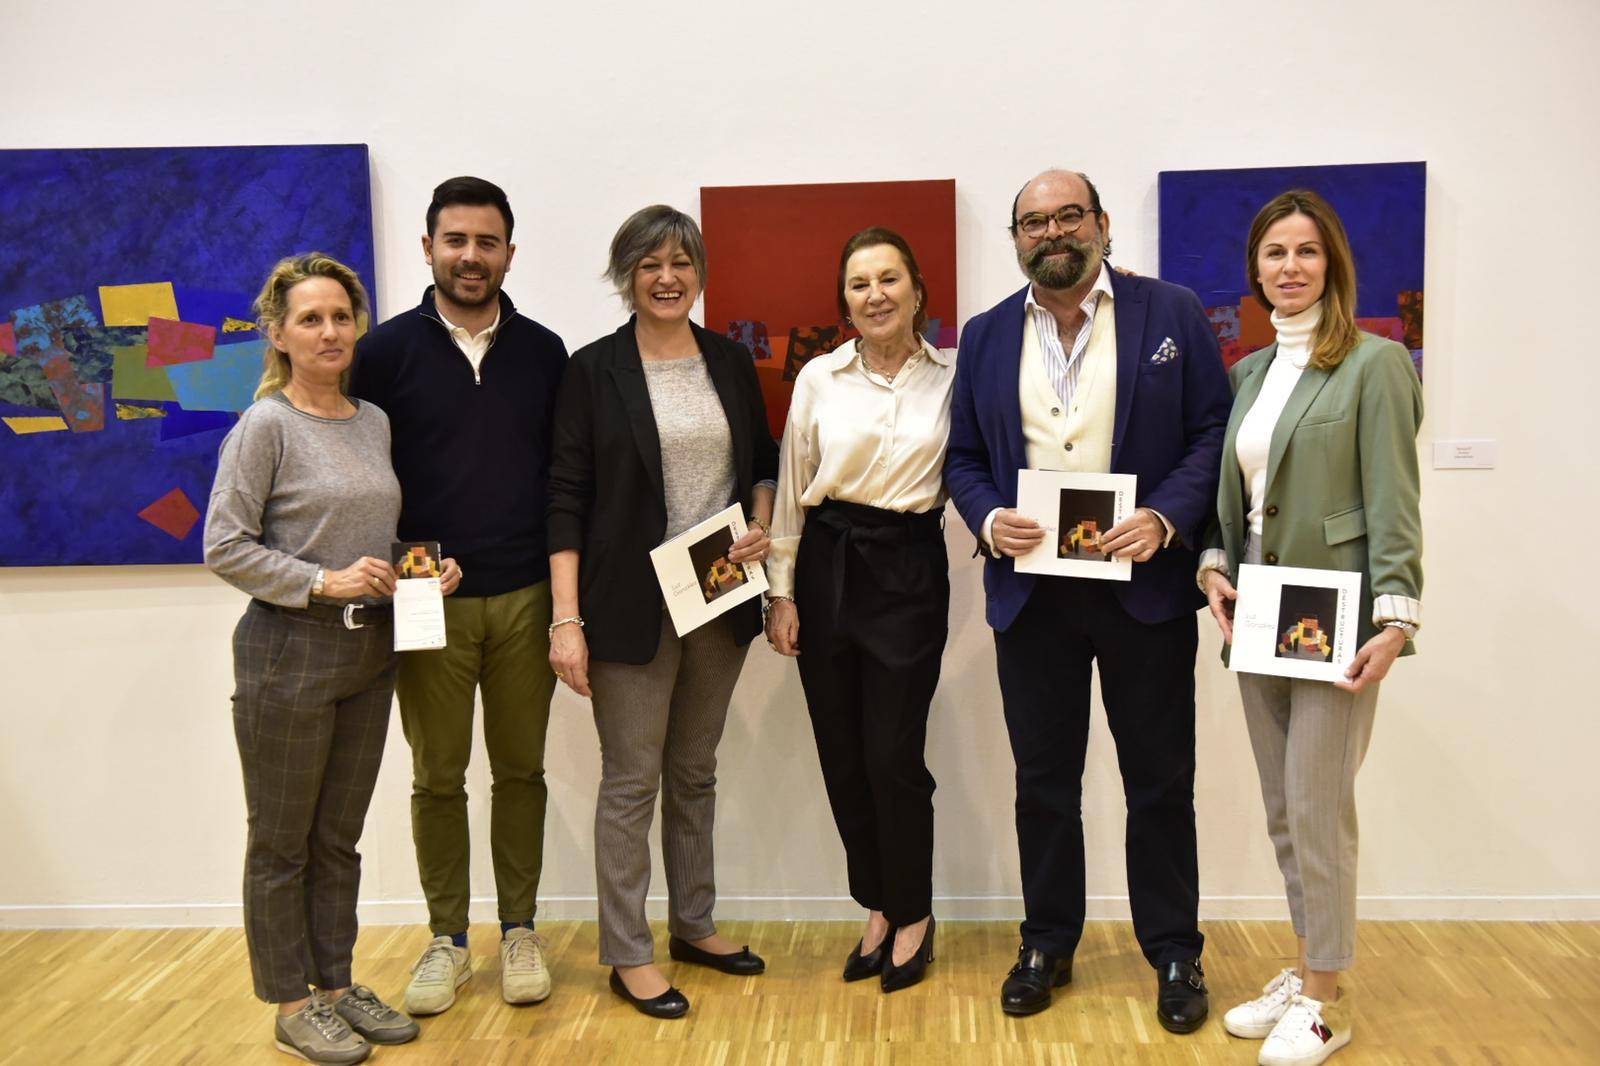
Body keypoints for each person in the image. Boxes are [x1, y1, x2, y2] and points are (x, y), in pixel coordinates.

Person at [944, 169, 1232, 1027]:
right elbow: (962, 455)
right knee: (1043, 783)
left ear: (1100, 224)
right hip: (1032, 598)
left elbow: (1211, 429)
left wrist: (1167, 516)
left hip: (1141, 590)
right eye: (1034, 222)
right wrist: (991, 517)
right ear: (1017, 239)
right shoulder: (988, 334)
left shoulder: (1169, 313)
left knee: (1158, 781)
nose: (1052, 232)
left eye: (1068, 215)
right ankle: (1047, 943)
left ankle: (1175, 953)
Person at [205, 252, 461, 1064]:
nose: (329, 331)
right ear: (277, 334)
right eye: (310, 319)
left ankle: (333, 986)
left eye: (341, 317)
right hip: (288, 653)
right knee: (281, 841)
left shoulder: (372, 421)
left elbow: (364, 539)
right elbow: (225, 546)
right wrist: (321, 581)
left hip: (368, 651)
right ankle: (290, 1003)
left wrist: (423, 567)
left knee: (337, 839)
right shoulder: (266, 426)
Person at [1198, 189, 1423, 1066]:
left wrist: (1396, 618)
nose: (1290, 267)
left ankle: (1327, 999)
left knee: (1321, 807)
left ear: (1333, 262)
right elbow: (1238, 498)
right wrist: (1213, 565)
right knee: (1286, 808)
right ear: (1254, 270)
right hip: (1257, 611)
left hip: (1336, 613)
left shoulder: (1376, 364)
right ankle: (1307, 966)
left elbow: (1393, 502)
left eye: (1306, 252)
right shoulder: (1249, 370)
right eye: (1274, 253)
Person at [546, 204, 779, 1018]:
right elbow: (566, 500)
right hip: (625, 608)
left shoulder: (728, 359)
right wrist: (565, 621)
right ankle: (628, 953)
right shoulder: (592, 369)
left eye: (680, 262)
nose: (667, 277)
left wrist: (758, 521)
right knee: (631, 781)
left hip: (717, 599)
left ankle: (694, 925)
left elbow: (760, 464)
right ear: (626, 277)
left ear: (700, 272)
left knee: (695, 773)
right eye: (649, 264)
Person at [349, 177, 569, 1016]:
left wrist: (564, 601)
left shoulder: (546, 352)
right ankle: (447, 938)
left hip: (523, 596)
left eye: (486, 242)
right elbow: (363, 480)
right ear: (429, 248)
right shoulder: (384, 354)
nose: (470, 256)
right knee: (438, 778)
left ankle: (519, 930)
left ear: (509, 252)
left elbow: (564, 481)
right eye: (455, 240)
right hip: (422, 600)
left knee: (521, 772)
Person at [765, 226, 955, 993]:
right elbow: (790, 482)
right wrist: (781, 591)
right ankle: (876, 905)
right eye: (858, 284)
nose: (874, 295)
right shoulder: (819, 377)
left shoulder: (954, 376)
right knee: (842, 754)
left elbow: (977, 468)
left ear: (916, 290)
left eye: (888, 280)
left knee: (893, 757)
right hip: (826, 565)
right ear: (843, 300)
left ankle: (914, 913)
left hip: (908, 569)